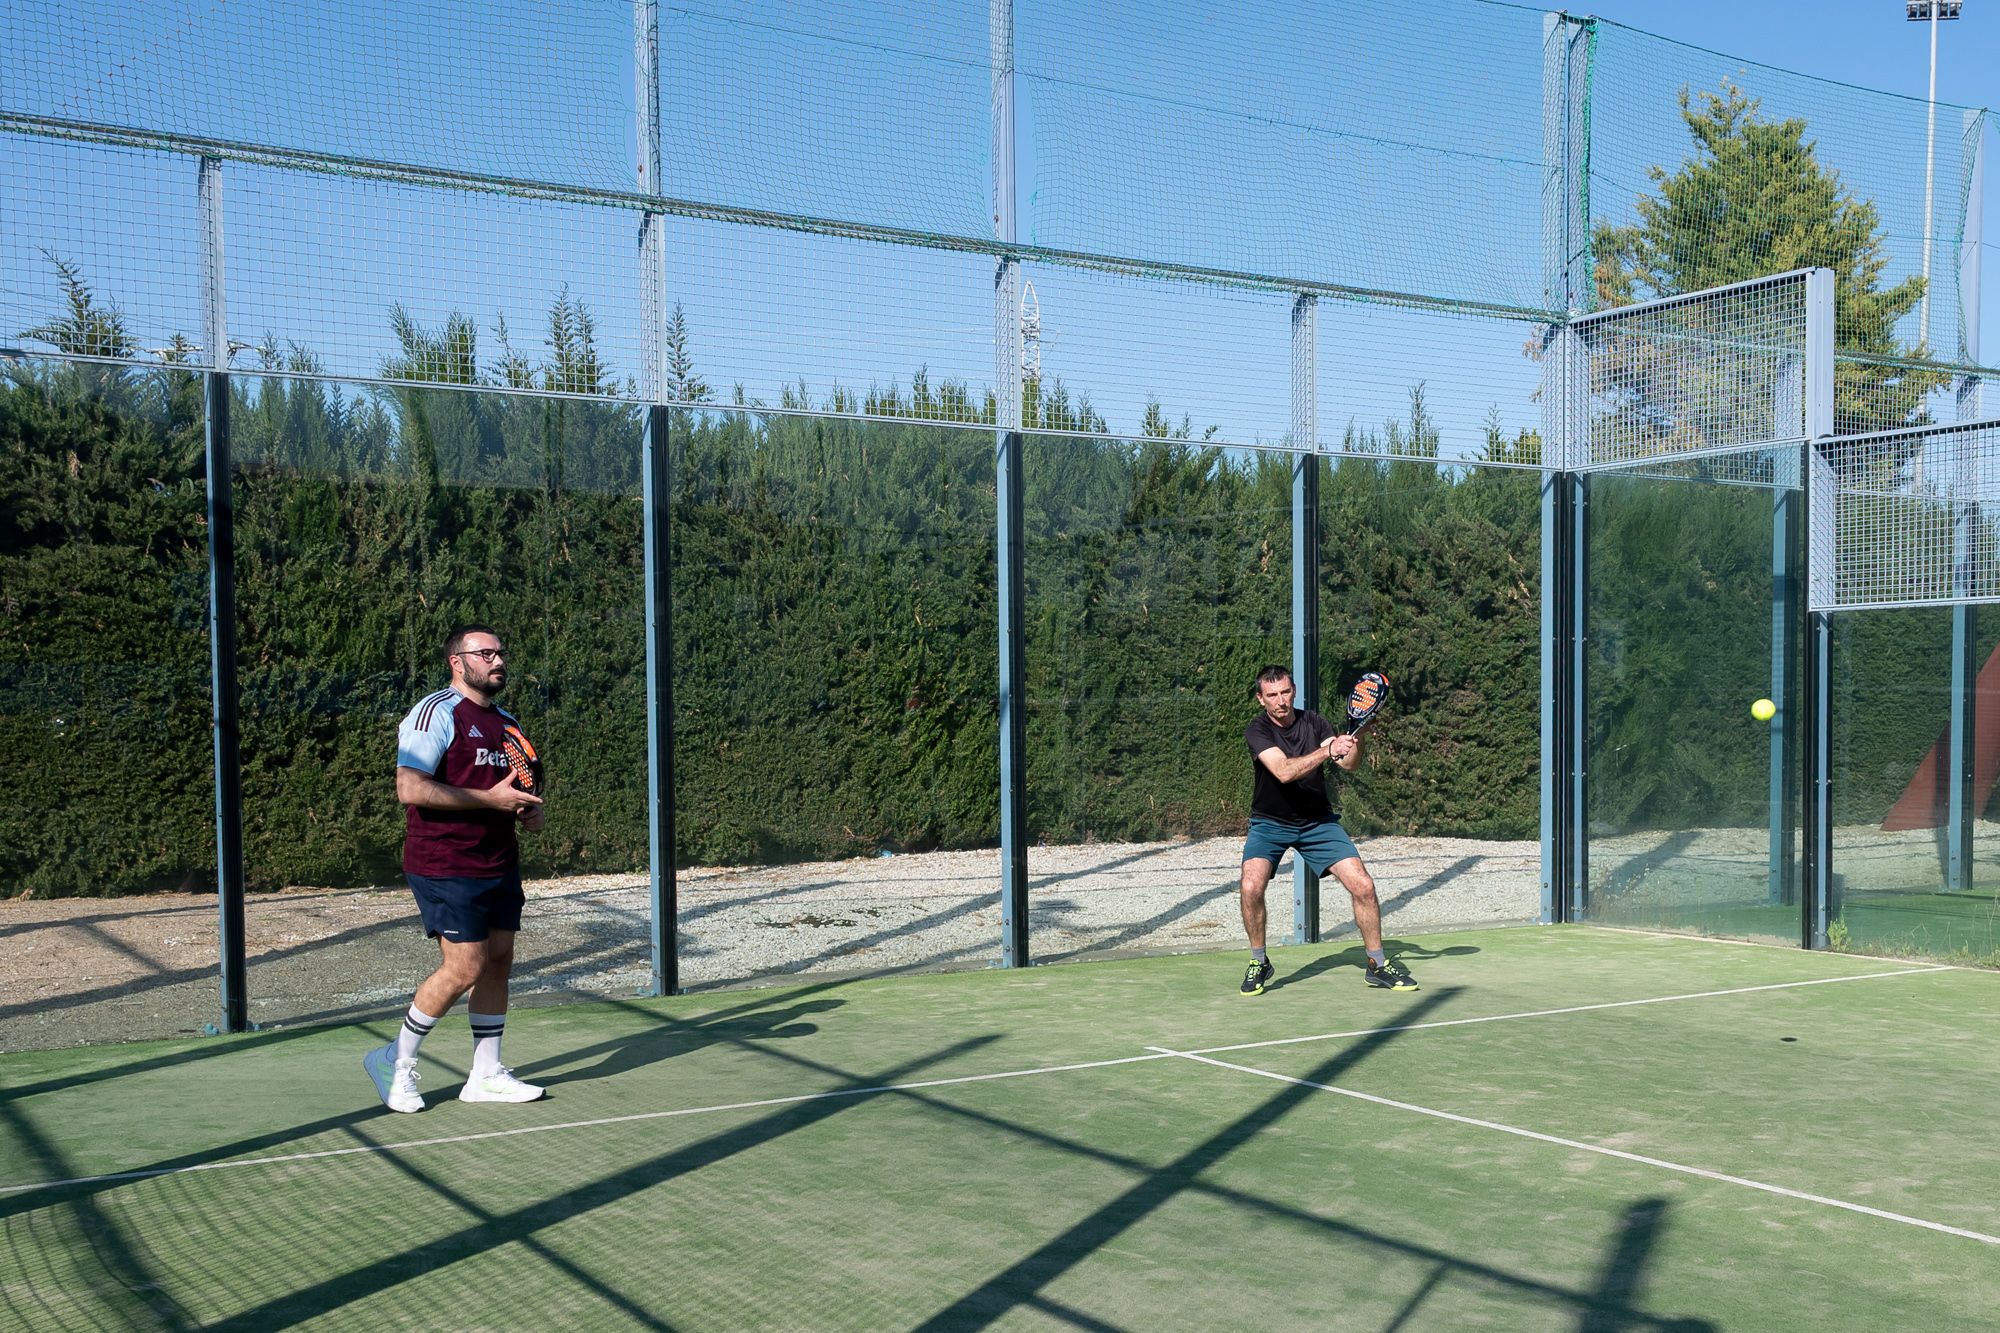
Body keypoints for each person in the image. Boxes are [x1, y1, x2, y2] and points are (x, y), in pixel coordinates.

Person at [364, 624, 548, 1112]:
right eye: (484, 653)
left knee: (499, 960)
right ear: (457, 662)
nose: (497, 660)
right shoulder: (434, 713)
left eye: (500, 652)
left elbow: (515, 790)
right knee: (465, 966)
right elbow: (410, 787)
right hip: (444, 861)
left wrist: (528, 812)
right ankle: (394, 1060)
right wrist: (489, 799)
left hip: (498, 861)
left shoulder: (506, 723)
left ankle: (485, 1075)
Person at [1236, 664, 1417, 996]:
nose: (1281, 700)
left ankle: (1377, 965)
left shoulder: (1315, 722)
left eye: (1286, 692)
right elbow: (1284, 772)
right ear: (1261, 699)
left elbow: (1348, 763)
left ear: (1294, 691)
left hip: (1317, 822)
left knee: (1363, 885)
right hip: (1270, 823)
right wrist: (1326, 750)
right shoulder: (1257, 730)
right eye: (1272, 695)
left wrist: (1358, 737)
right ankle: (1259, 961)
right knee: (1250, 886)